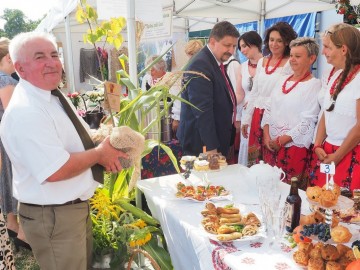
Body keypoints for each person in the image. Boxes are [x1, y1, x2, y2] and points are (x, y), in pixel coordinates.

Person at [1, 32, 127, 269]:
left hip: (66, 211)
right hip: (53, 217)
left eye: (54, 55)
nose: (51, 62)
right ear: (20, 67)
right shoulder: (27, 110)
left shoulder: (50, 95)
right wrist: (100, 153)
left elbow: (68, 140)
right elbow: (55, 170)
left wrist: (100, 138)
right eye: (40, 57)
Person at [261, 37, 321, 187]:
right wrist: (267, 135)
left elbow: (308, 120)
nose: (292, 60)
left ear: (311, 58)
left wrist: (282, 140)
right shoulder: (282, 80)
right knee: (267, 187)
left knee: (288, 192)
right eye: (292, 55)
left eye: (298, 56)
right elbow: (268, 107)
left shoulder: (314, 85)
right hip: (271, 145)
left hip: (293, 148)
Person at [177, 21, 240, 157]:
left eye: (234, 46)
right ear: (212, 41)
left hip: (213, 140)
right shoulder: (201, 64)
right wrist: (211, 147)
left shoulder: (212, 61)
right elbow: (202, 110)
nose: (231, 51)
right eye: (227, 45)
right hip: (202, 144)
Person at [310, 23, 360, 191]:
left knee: (343, 211)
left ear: (343, 49)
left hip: (348, 153)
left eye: (327, 47)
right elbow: (327, 111)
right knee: (321, 202)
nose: (323, 52)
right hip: (329, 151)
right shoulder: (336, 75)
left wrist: (337, 157)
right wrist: (318, 144)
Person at [241, 22, 297, 166]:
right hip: (256, 114)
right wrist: (246, 119)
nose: (274, 44)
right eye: (272, 40)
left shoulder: (290, 63)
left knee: (271, 157)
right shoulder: (262, 62)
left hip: (276, 116)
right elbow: (255, 92)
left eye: (279, 40)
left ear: (287, 42)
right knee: (255, 160)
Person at [236, 31, 263, 166]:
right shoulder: (242, 67)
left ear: (255, 44)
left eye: (244, 46)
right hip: (247, 114)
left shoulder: (268, 64)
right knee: (246, 146)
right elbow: (240, 94)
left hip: (263, 114)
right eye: (240, 47)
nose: (242, 50)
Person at [171, 39, 204, 135]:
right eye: (190, 54)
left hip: (194, 115)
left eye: (192, 54)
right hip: (192, 115)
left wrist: (176, 117)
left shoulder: (189, 68)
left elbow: (179, 96)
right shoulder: (187, 69)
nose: (191, 57)